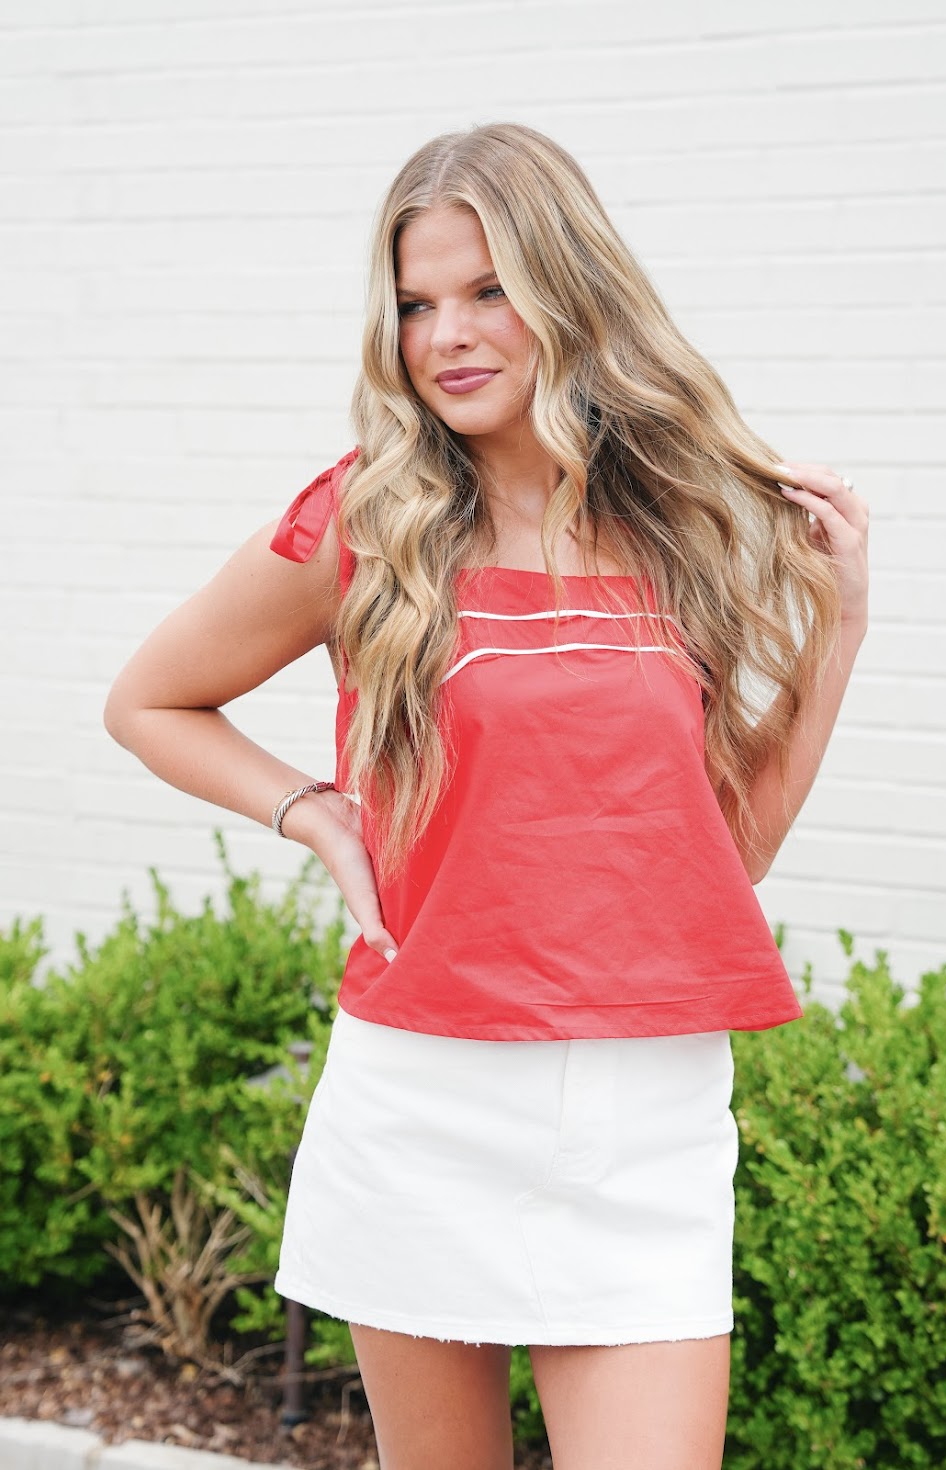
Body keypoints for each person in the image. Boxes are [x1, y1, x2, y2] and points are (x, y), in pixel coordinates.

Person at [104, 122, 869, 1470]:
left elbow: (727, 854)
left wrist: (838, 628)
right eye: (415, 303)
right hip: (424, 1100)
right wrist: (316, 810)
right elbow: (149, 700)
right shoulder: (367, 522)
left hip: (644, 1118)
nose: (445, 335)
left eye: (487, 291)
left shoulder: (676, 525)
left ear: (569, 289)